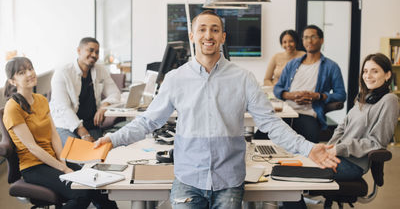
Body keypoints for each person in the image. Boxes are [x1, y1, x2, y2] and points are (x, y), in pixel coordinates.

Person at [94, 11, 340, 209]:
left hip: (228, 181)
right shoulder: (175, 79)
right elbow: (148, 121)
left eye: (214, 29)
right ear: (192, 35)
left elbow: (271, 123)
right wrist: (113, 139)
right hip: (188, 179)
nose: (208, 35)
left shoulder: (243, 78)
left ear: (223, 37)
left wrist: (308, 148)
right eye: (202, 29)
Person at [284, 53, 399, 209]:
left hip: (353, 164)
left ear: (387, 75)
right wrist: (329, 148)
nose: (368, 76)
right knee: (289, 167)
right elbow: (342, 127)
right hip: (338, 155)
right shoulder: (364, 97)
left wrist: (339, 149)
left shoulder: (389, 100)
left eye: (374, 71)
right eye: (365, 71)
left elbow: (377, 142)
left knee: (293, 178)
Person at [2, 57, 117, 209]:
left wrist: (62, 162)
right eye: (22, 72)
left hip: (53, 160)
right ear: (12, 81)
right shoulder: (13, 108)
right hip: (33, 167)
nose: (30, 74)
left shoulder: (41, 100)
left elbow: (54, 135)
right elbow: (32, 147)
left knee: (98, 186)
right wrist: (63, 169)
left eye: (30, 69)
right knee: (81, 193)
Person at [266, 25, 347, 143]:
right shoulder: (292, 64)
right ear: (303, 41)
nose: (309, 40)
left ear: (321, 40)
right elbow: (278, 88)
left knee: (309, 144)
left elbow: (341, 94)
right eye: (306, 37)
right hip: (286, 112)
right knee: (261, 137)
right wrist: (291, 95)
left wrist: (318, 96)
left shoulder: (331, 67)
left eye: (313, 37)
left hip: (308, 113)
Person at [50, 37, 121, 145]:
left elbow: (115, 93)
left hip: (91, 125)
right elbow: (63, 108)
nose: (94, 55)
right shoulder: (62, 73)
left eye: (97, 52)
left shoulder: (100, 69)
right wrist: (83, 133)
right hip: (66, 125)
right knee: (79, 157)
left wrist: (104, 106)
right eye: (90, 50)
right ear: (79, 51)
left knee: (103, 154)